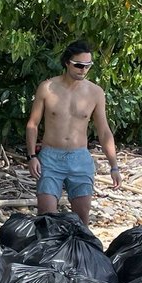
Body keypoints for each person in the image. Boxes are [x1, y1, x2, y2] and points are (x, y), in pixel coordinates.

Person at [24, 40, 122, 226]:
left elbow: (104, 131)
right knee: (46, 215)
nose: (83, 70)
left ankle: (79, 252)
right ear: (67, 62)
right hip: (51, 157)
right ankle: (47, 251)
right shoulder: (47, 88)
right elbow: (33, 124)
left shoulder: (95, 92)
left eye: (88, 66)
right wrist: (31, 156)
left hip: (80, 158)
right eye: (78, 65)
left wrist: (114, 166)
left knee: (81, 217)